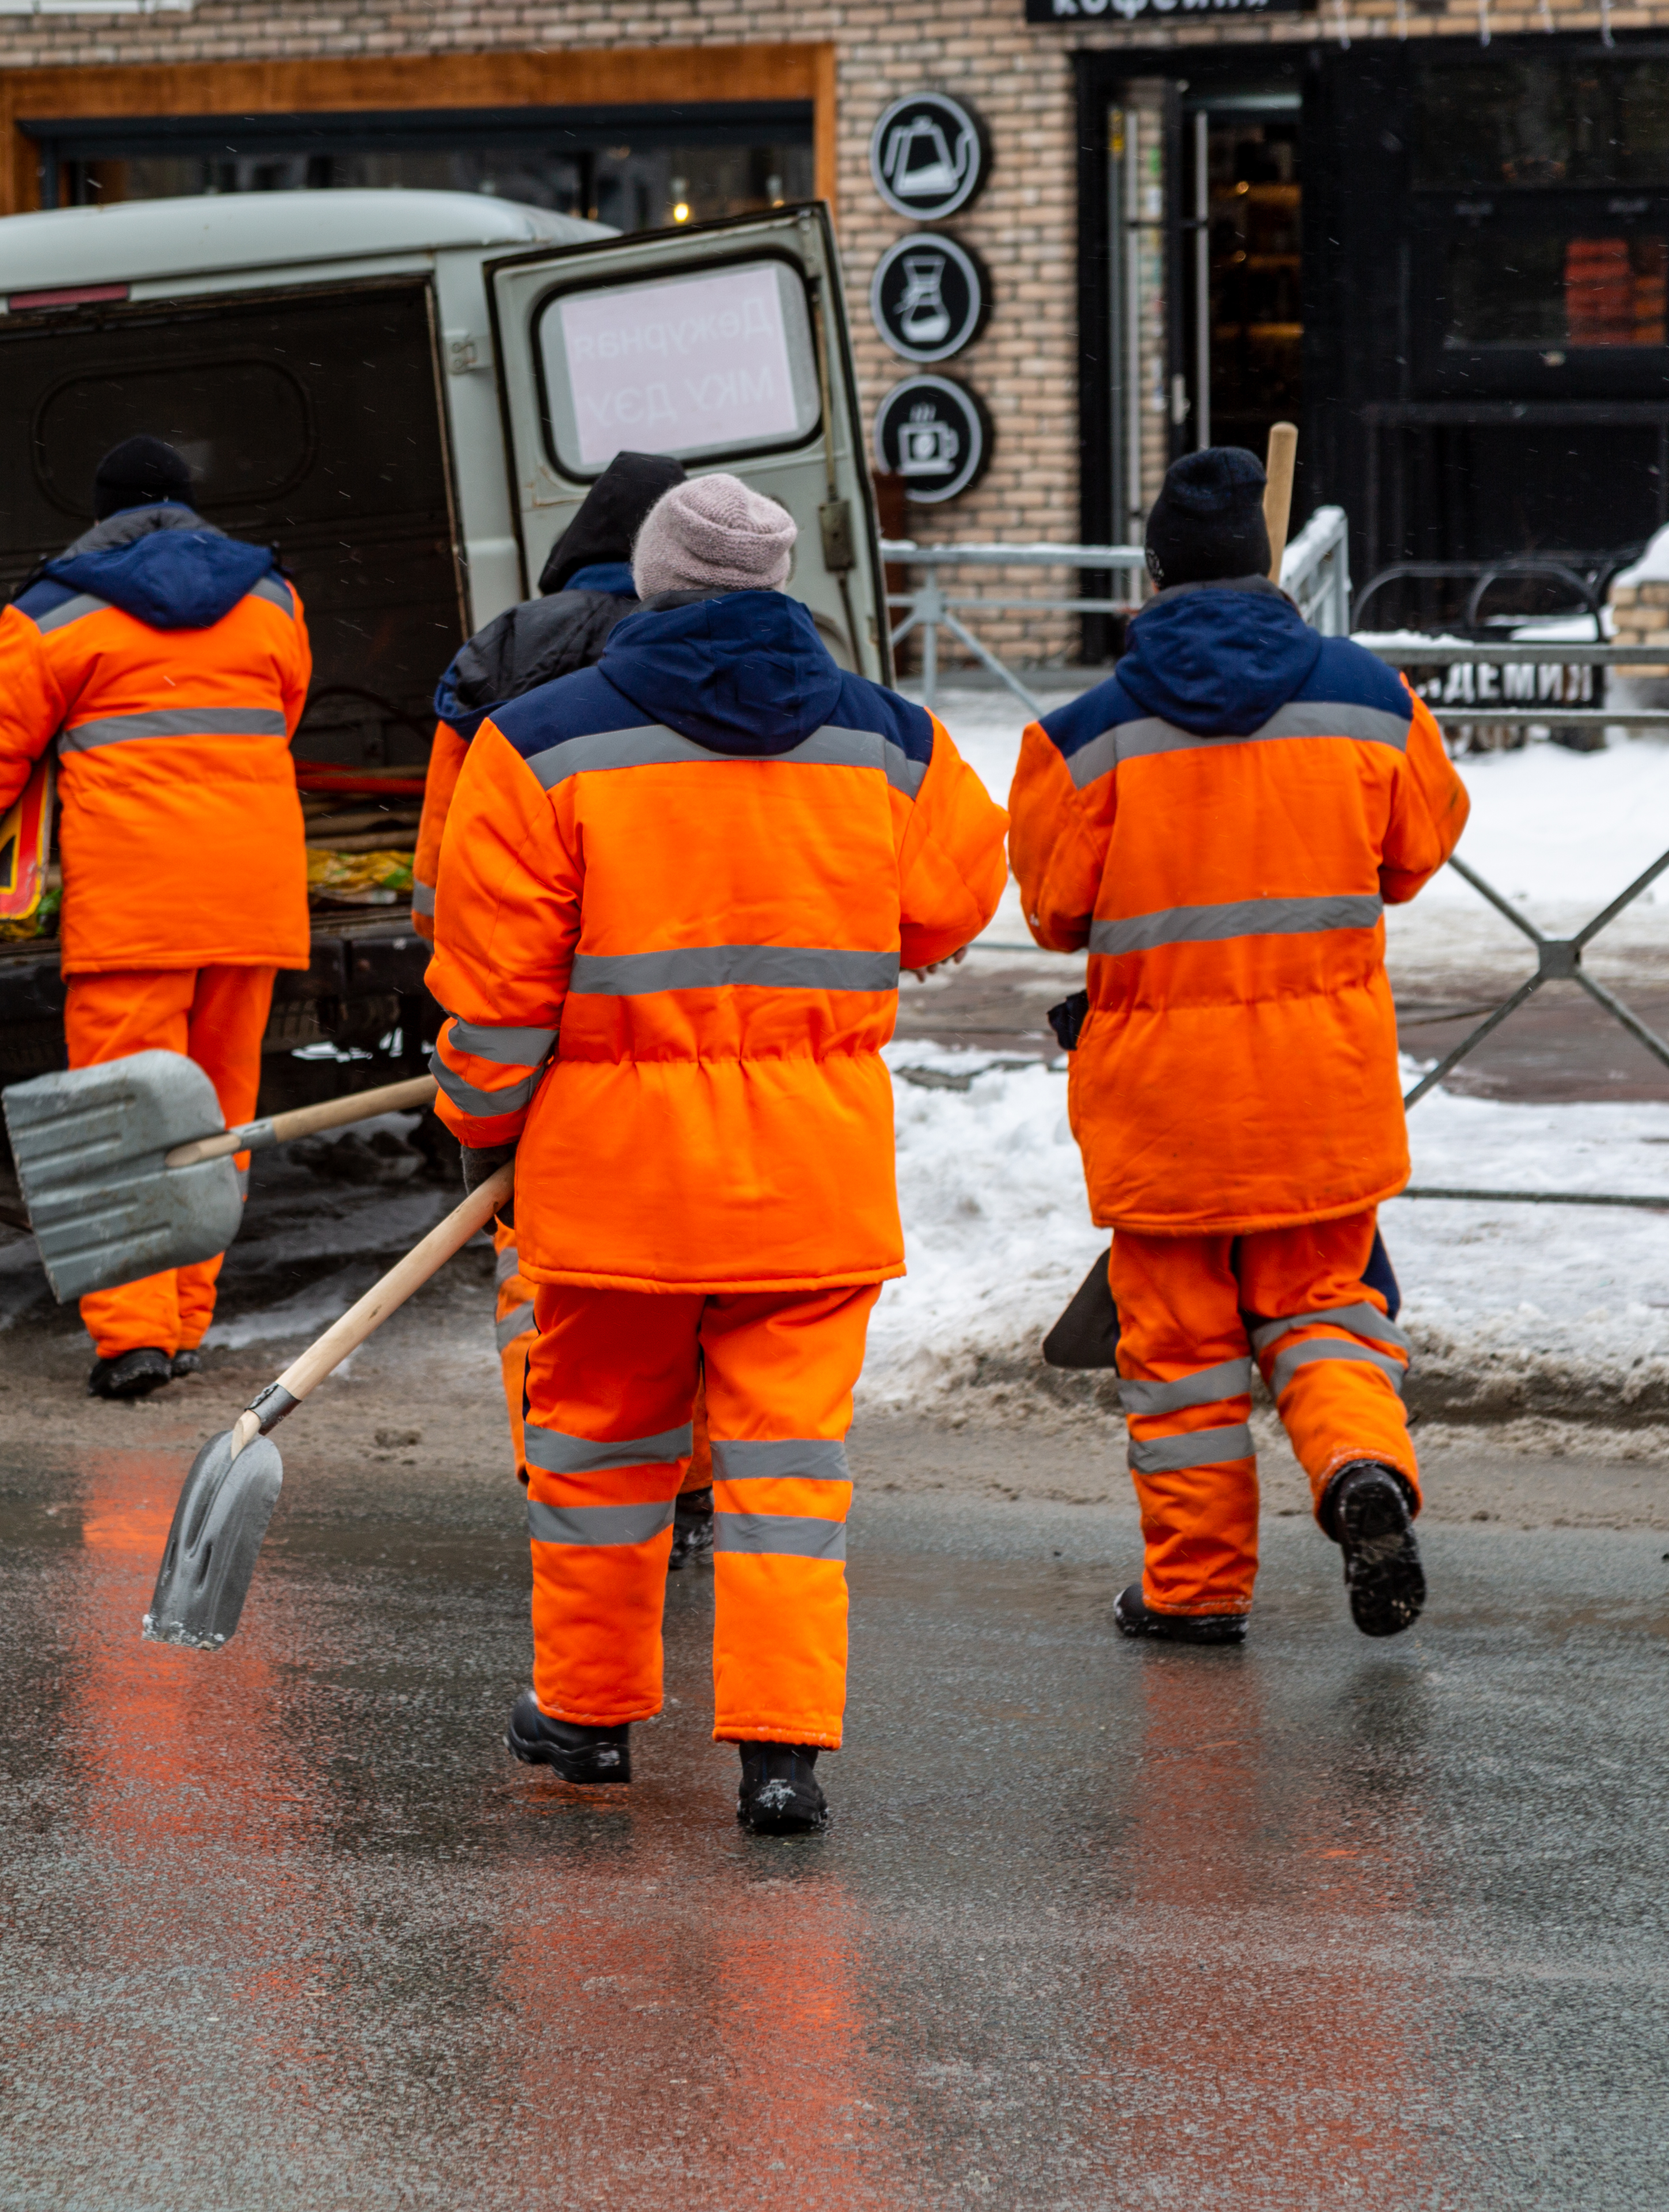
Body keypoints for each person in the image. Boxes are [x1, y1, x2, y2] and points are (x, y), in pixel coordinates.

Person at [427, 473, 1010, 1835]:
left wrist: (481, 1125)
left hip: (618, 1189)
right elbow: (954, 898)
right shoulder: (891, 740)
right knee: (789, 1474)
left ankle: (585, 1715)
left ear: (651, 584)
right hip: (812, 1185)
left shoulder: (540, 745)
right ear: (775, 587)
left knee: (600, 1459)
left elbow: (495, 1000)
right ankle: (781, 1756)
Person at [1007, 446, 1470, 1645]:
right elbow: (1420, 853)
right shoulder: (1370, 699)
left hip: (1163, 1108)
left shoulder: (1082, 740)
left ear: (1151, 578)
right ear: (1267, 568)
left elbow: (1054, 911)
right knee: (1326, 1313)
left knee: (1183, 1363)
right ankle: (1359, 1466)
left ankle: (1197, 1589)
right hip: (1323, 1095)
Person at [0, 435, 312, 1400]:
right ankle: (190, 1317)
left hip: (135, 908)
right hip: (251, 896)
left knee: (126, 1121)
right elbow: (281, 715)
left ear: (101, 508)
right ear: (189, 503)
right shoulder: (274, 597)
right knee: (217, 1116)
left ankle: (134, 1339)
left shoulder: (56, 612)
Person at [409, 450, 727, 1571]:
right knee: (681, 1263)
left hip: (535, 1022)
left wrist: (479, 1006)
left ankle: (568, 1471)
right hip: (684, 1012)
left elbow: (440, 878)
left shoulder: (501, 653)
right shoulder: (706, 654)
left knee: (541, 1267)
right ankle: (685, 1484)